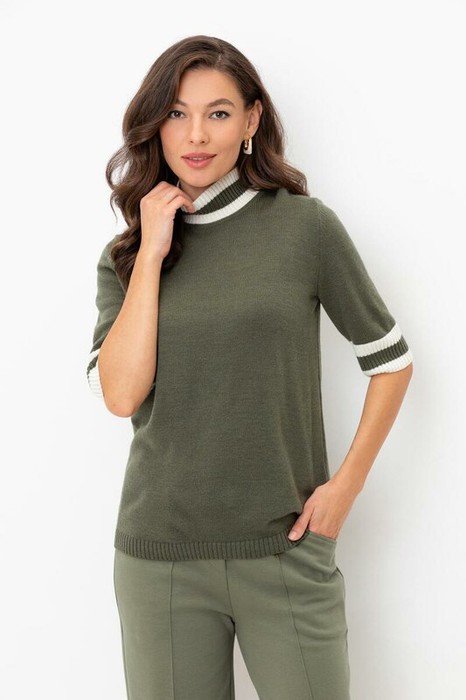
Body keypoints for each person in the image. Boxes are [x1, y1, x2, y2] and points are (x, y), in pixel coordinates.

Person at [86, 34, 414, 700]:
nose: (195, 135)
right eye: (176, 114)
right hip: (160, 561)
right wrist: (151, 256)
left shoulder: (305, 228)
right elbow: (121, 396)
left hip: (285, 551)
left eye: (218, 113)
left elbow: (391, 360)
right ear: (155, 126)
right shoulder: (127, 254)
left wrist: (344, 488)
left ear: (251, 121)